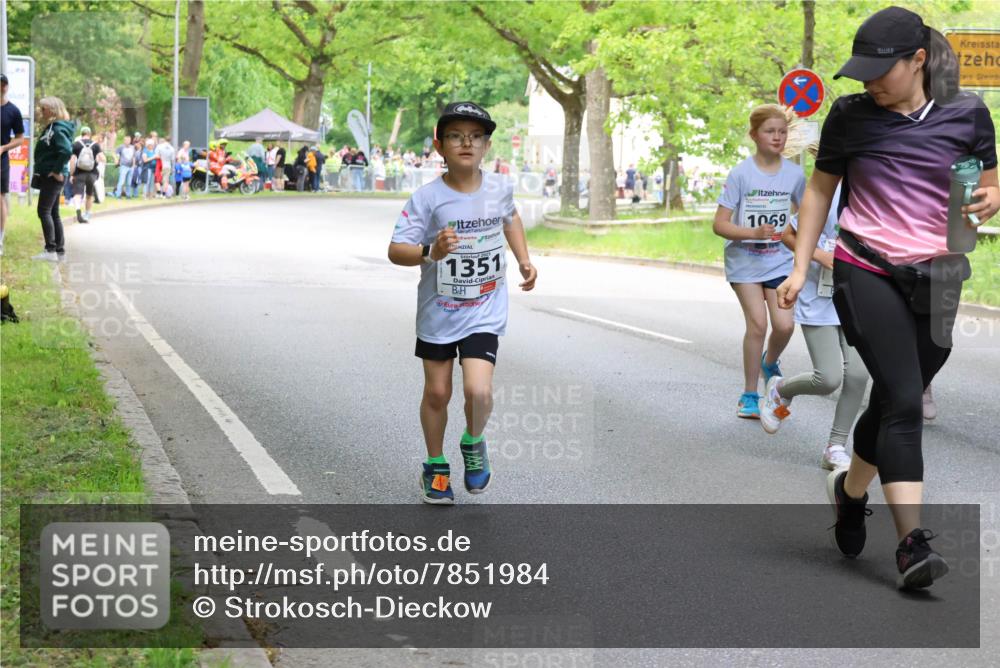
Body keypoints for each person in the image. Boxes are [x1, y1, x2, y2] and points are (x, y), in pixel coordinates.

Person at [777, 7, 998, 589]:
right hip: (863, 266)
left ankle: (849, 493)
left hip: (940, 276)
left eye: (881, 70)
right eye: (862, 71)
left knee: (890, 405)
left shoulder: (967, 113)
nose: (868, 82)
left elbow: (990, 179)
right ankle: (911, 545)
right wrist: (800, 268)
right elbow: (820, 194)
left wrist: (992, 199)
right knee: (904, 396)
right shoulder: (849, 116)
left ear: (919, 60)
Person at [387, 101, 538, 505]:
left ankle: (473, 442)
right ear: (440, 146)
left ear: (487, 145)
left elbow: (511, 218)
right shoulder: (427, 198)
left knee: (478, 391)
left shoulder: (500, 188)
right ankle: (435, 466)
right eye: (456, 136)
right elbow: (395, 250)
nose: (466, 143)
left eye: (474, 136)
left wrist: (523, 259)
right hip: (439, 312)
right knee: (438, 394)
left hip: (484, 309)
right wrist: (430, 251)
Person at [760, 181, 870, 471]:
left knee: (859, 374)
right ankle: (781, 390)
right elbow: (788, 235)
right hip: (819, 294)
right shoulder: (829, 190)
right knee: (829, 378)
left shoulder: (878, 190)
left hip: (859, 294)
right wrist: (823, 256)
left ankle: (834, 447)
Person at [713, 104, 804, 419]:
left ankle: (770, 361)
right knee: (758, 323)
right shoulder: (741, 174)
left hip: (779, 262)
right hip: (745, 262)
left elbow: (809, 214)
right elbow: (719, 224)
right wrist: (752, 231)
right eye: (770, 131)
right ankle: (750, 395)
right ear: (754, 135)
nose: (777, 137)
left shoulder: (794, 174)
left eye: (782, 131)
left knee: (785, 325)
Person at [31, 97, 74, 261]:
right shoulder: (53, 128)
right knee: (53, 212)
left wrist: (56, 170)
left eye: (43, 109)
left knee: (43, 211)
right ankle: (59, 251)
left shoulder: (57, 129)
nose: (41, 112)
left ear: (53, 111)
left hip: (53, 176)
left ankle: (50, 250)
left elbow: (66, 150)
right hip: (51, 175)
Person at [1, 73, 27, 255]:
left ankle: (0, 238)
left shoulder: (13, 111)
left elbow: (20, 139)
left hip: (1, 159)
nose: (1, 87)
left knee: (0, 197)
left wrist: (3, 147)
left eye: (4, 84)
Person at [69, 126, 105, 223]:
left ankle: (78, 210)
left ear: (81, 134)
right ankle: (87, 214)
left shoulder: (76, 144)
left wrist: (72, 174)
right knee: (89, 194)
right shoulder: (95, 145)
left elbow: (72, 161)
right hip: (92, 174)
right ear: (90, 134)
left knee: (77, 194)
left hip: (79, 173)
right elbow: (103, 159)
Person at [113, 134, 135, 199]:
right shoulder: (121, 147)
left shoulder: (132, 147)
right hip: (123, 166)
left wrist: (133, 166)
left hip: (131, 167)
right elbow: (114, 153)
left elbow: (133, 157)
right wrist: (116, 160)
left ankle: (128, 195)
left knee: (129, 182)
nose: (128, 141)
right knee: (121, 181)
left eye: (129, 140)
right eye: (126, 140)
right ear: (124, 141)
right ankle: (118, 195)